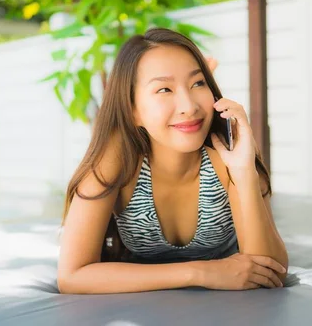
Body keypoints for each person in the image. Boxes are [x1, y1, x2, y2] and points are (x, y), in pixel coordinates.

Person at [57, 28, 288, 294]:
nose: (189, 106)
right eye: (164, 89)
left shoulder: (229, 154)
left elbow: (269, 270)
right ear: (132, 110)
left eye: (198, 83)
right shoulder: (116, 160)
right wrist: (200, 272)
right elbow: (72, 276)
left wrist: (244, 170)